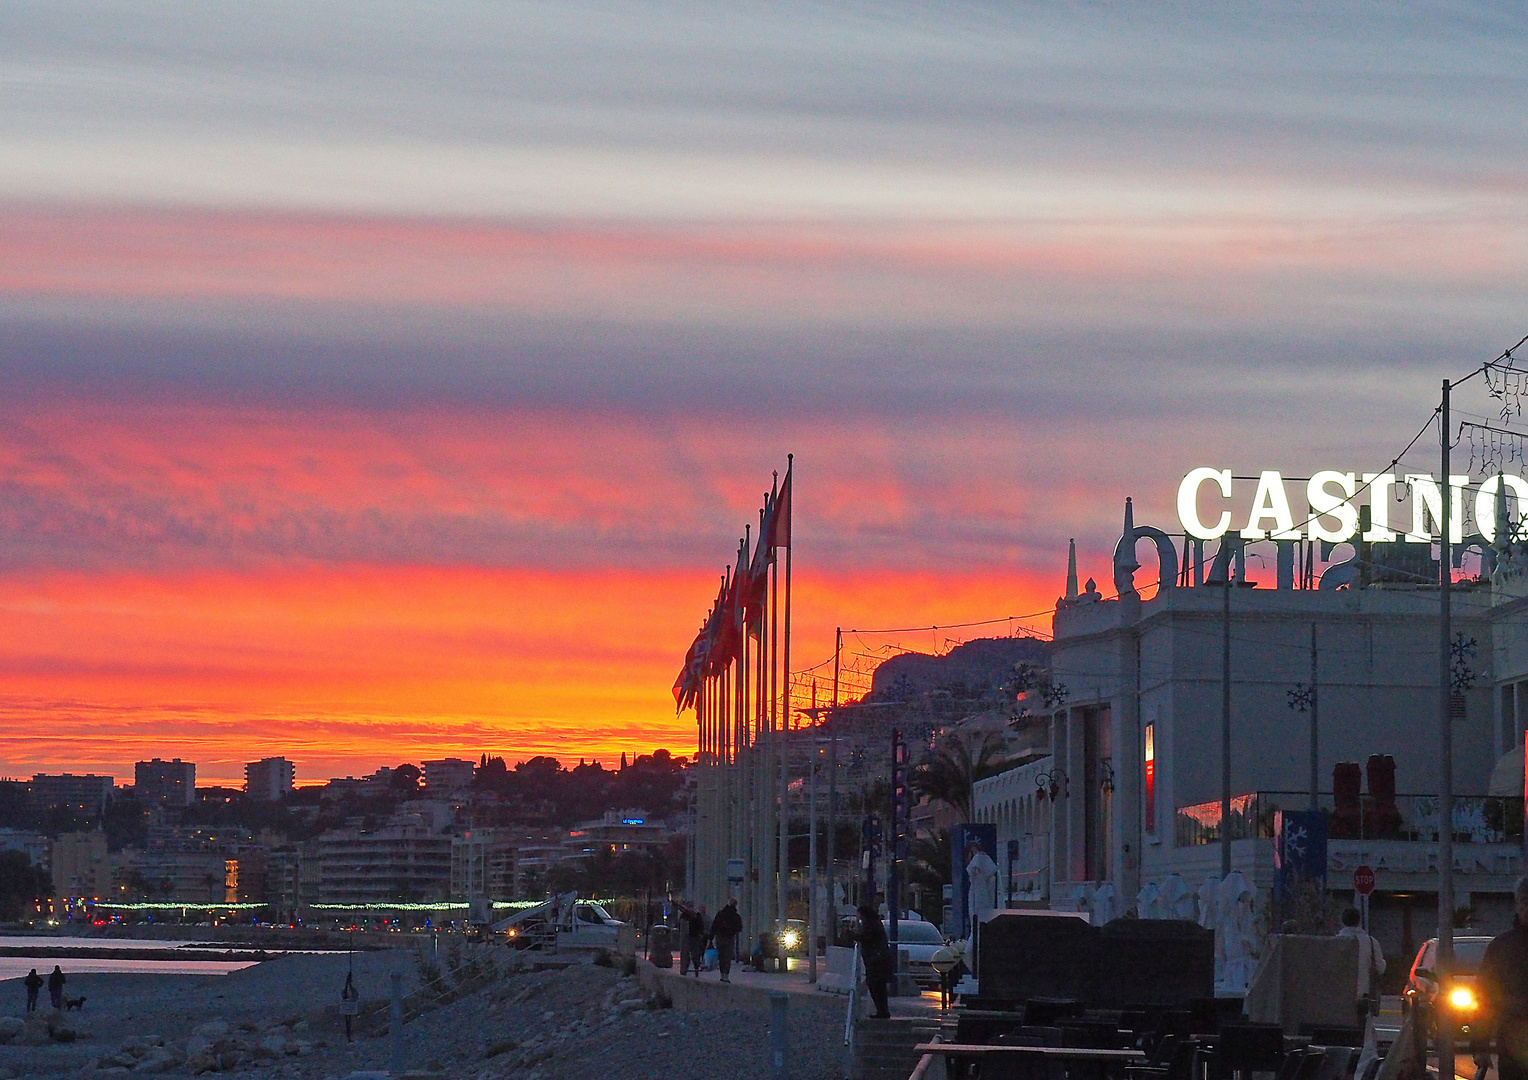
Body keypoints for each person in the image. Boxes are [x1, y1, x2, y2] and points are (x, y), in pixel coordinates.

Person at [1478, 877, 1528, 1080]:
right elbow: (1484, 998)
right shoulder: (1501, 947)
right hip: (1511, 1043)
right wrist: (1480, 1045)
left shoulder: (1501, 946)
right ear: (1517, 905)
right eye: (1525, 901)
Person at [1336, 906, 1386, 1028]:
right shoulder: (1371, 942)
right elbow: (1380, 968)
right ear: (1359, 921)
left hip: (1339, 995)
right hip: (1364, 995)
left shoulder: (1334, 941)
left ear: (1342, 922)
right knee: (1362, 1030)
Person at [854, 903, 893, 1019]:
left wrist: (853, 935)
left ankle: (882, 1011)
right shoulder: (875, 923)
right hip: (878, 959)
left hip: (876, 960)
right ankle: (882, 1011)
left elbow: (866, 937)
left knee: (875, 985)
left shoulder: (871, 925)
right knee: (878, 986)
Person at [710, 899, 743, 983]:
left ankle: (722, 975)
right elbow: (739, 928)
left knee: (721, 957)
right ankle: (726, 975)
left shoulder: (720, 914)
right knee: (727, 957)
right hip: (730, 938)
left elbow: (714, 926)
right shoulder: (736, 916)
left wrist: (711, 937)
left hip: (720, 937)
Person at [680, 903, 708, 977]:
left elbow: (700, 925)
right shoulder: (692, 916)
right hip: (692, 937)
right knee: (690, 954)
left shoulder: (692, 916)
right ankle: (687, 969)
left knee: (692, 954)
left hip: (693, 937)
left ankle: (690, 969)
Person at [340, 972, 359, 1043]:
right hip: (347, 1007)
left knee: (349, 1020)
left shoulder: (351, 989)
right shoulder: (346, 990)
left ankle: (349, 1035)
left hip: (350, 1007)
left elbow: (355, 996)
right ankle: (348, 1035)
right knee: (347, 1021)